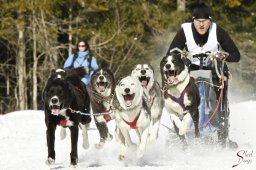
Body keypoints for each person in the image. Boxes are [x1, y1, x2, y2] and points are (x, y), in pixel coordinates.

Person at [167, 3, 240, 148]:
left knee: (218, 94)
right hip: (190, 72)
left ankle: (220, 131)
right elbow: (171, 53)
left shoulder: (217, 30)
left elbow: (236, 55)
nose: (201, 24)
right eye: (198, 21)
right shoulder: (185, 30)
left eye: (205, 21)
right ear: (193, 21)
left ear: (210, 21)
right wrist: (182, 57)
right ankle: (180, 131)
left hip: (213, 72)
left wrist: (222, 56)